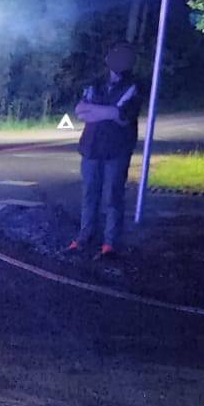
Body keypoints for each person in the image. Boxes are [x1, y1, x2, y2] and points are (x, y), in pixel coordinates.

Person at [67, 42, 142, 259]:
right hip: (91, 147)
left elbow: (122, 117)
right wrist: (109, 111)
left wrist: (101, 112)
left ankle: (110, 243)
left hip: (117, 150)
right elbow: (81, 111)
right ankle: (85, 237)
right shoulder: (96, 83)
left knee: (112, 196)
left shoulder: (133, 86)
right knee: (89, 194)